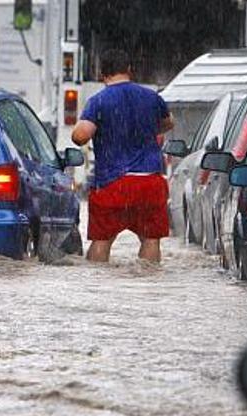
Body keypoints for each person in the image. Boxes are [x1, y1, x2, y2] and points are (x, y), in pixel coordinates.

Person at [71, 49, 174, 263]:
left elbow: (81, 136)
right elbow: (168, 123)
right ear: (129, 70)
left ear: (102, 73)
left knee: (102, 241)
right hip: (150, 181)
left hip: (113, 183)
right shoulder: (152, 97)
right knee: (151, 239)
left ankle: (96, 290)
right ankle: (148, 288)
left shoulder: (98, 101)